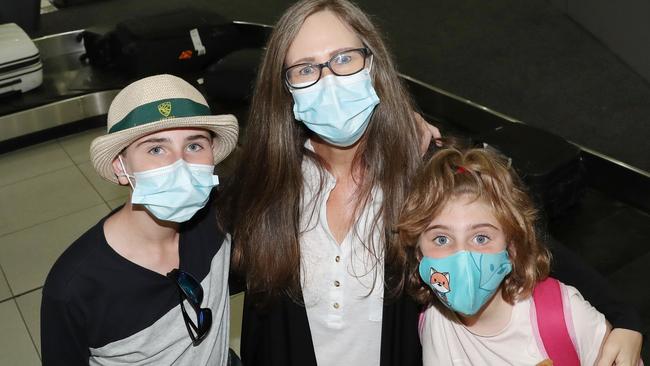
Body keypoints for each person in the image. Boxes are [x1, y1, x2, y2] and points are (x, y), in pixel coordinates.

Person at [225, 1, 643, 365]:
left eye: (344, 59)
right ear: (283, 88)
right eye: (305, 68)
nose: (329, 80)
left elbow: (522, 239)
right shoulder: (266, 180)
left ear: (373, 64)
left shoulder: (423, 170)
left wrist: (622, 318)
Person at [41, 74, 239, 365]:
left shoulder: (219, 219)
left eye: (194, 145)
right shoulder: (75, 288)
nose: (180, 164)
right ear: (121, 168)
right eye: (156, 149)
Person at [398, 146, 614, 365]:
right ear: (418, 250)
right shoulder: (430, 322)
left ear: (511, 246)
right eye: (441, 239)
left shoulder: (566, 317)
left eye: (481, 238)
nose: (461, 256)